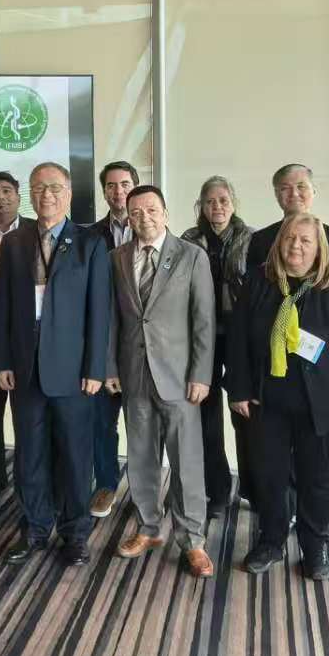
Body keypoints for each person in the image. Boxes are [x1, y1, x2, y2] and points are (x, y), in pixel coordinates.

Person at [227, 213, 329, 581]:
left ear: (319, 247)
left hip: (322, 405)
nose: (296, 246)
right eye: (290, 238)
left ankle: (314, 545)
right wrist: (239, 389)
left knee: (317, 479)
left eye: (306, 240)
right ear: (279, 243)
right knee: (270, 475)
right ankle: (271, 541)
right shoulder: (258, 282)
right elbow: (237, 338)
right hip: (266, 402)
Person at [0, 162, 112, 568]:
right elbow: (2, 306)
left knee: (75, 456)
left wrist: (95, 369)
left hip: (74, 372)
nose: (47, 195)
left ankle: (75, 534)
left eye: (55, 188)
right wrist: (2, 361)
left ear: (69, 194)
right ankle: (35, 528)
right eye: (40, 188)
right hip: (24, 369)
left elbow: (100, 312)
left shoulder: (90, 243)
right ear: (30, 193)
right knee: (29, 455)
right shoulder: (15, 243)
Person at [106, 185, 215, 578]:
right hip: (134, 373)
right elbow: (113, 319)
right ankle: (149, 527)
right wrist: (110, 368)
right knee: (140, 457)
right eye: (136, 212)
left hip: (180, 377)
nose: (144, 218)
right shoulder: (117, 258)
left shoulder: (192, 256)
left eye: (152, 210)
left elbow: (204, 320)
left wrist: (201, 374)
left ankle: (193, 540)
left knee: (186, 462)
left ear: (166, 213)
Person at [180, 176, 252, 516]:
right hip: (200, 336)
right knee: (206, 418)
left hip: (240, 337)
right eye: (210, 201)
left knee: (246, 415)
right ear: (201, 206)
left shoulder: (252, 239)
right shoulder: (188, 239)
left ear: (233, 203)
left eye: (223, 200)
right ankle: (217, 491)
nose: (217, 206)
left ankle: (253, 487)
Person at [85, 160, 139, 518]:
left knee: (143, 425)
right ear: (104, 191)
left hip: (140, 344)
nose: (118, 191)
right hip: (103, 341)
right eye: (111, 185)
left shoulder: (154, 228)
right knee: (101, 423)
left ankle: (144, 491)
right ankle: (106, 485)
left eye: (124, 184)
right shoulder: (89, 236)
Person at [0, 170, 34, 507]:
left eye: (7, 190)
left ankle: (28, 487)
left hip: (27, 341)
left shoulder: (36, 231)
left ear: (18, 196)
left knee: (29, 421)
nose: (1, 197)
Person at [245, 164, 329, 270]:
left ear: (313, 191)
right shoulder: (259, 240)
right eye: (285, 188)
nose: (294, 194)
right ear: (276, 194)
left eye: (301, 187)